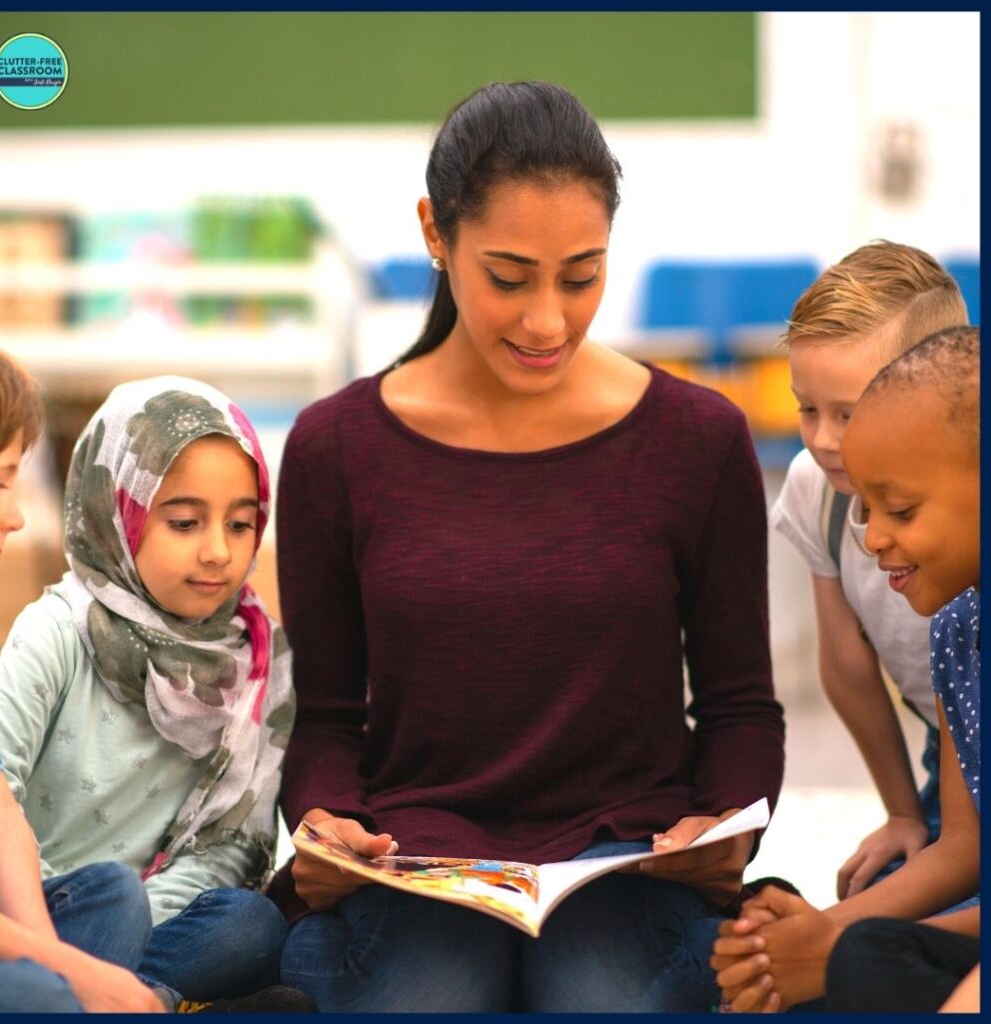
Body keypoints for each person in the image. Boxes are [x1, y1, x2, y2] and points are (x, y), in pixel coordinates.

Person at [270, 80, 785, 1013]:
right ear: (436, 233)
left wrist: (728, 824)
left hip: (628, 853)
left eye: (581, 276)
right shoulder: (335, 448)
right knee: (430, 993)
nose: (547, 320)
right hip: (419, 856)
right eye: (509, 278)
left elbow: (742, 706)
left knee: (605, 996)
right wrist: (322, 819)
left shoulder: (697, 440)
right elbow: (328, 719)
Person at [0, 374, 315, 1012]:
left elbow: (233, 849)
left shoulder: (258, 658)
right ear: (117, 511)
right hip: (37, 911)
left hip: (161, 922)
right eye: (185, 522)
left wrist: (145, 913)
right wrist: (95, 924)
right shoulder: (57, 631)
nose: (218, 551)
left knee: (252, 923)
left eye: (242, 525)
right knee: (113, 895)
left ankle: (132, 998)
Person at [711, 326, 980, 1014]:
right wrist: (813, 938)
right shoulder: (955, 630)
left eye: (901, 509)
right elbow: (964, 848)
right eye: (864, 508)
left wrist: (831, 946)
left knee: (860, 960)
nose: (873, 536)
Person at [770, 241, 968, 898]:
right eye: (807, 409)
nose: (825, 439)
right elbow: (848, 667)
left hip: (971, 741)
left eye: (848, 413)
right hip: (946, 759)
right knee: (878, 888)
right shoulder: (814, 487)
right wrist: (903, 814)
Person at [0, 340, 165, 1013]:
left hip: (6, 929)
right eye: (0, 482)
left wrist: (53, 962)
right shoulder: (56, 626)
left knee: (115, 896)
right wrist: (56, 969)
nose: (17, 514)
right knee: (38, 989)